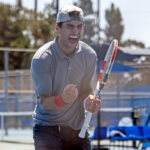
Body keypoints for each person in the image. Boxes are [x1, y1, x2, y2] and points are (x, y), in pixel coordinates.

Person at [30, 5, 101, 150]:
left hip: (77, 130)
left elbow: (86, 90)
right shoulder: (42, 58)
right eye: (70, 26)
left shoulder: (89, 55)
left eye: (79, 26)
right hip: (47, 129)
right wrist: (63, 99)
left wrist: (89, 101)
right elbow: (44, 102)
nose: (75, 32)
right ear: (57, 28)